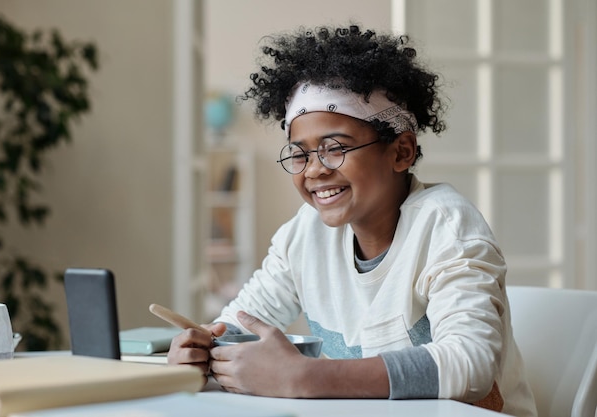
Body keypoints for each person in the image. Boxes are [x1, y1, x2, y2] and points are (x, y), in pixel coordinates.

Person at [168, 24, 537, 417]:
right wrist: (202, 348)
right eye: (299, 154)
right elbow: (240, 324)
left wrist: (304, 378)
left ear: (401, 152)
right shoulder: (303, 235)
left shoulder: (445, 225)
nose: (314, 170)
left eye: (335, 148)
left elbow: (470, 363)